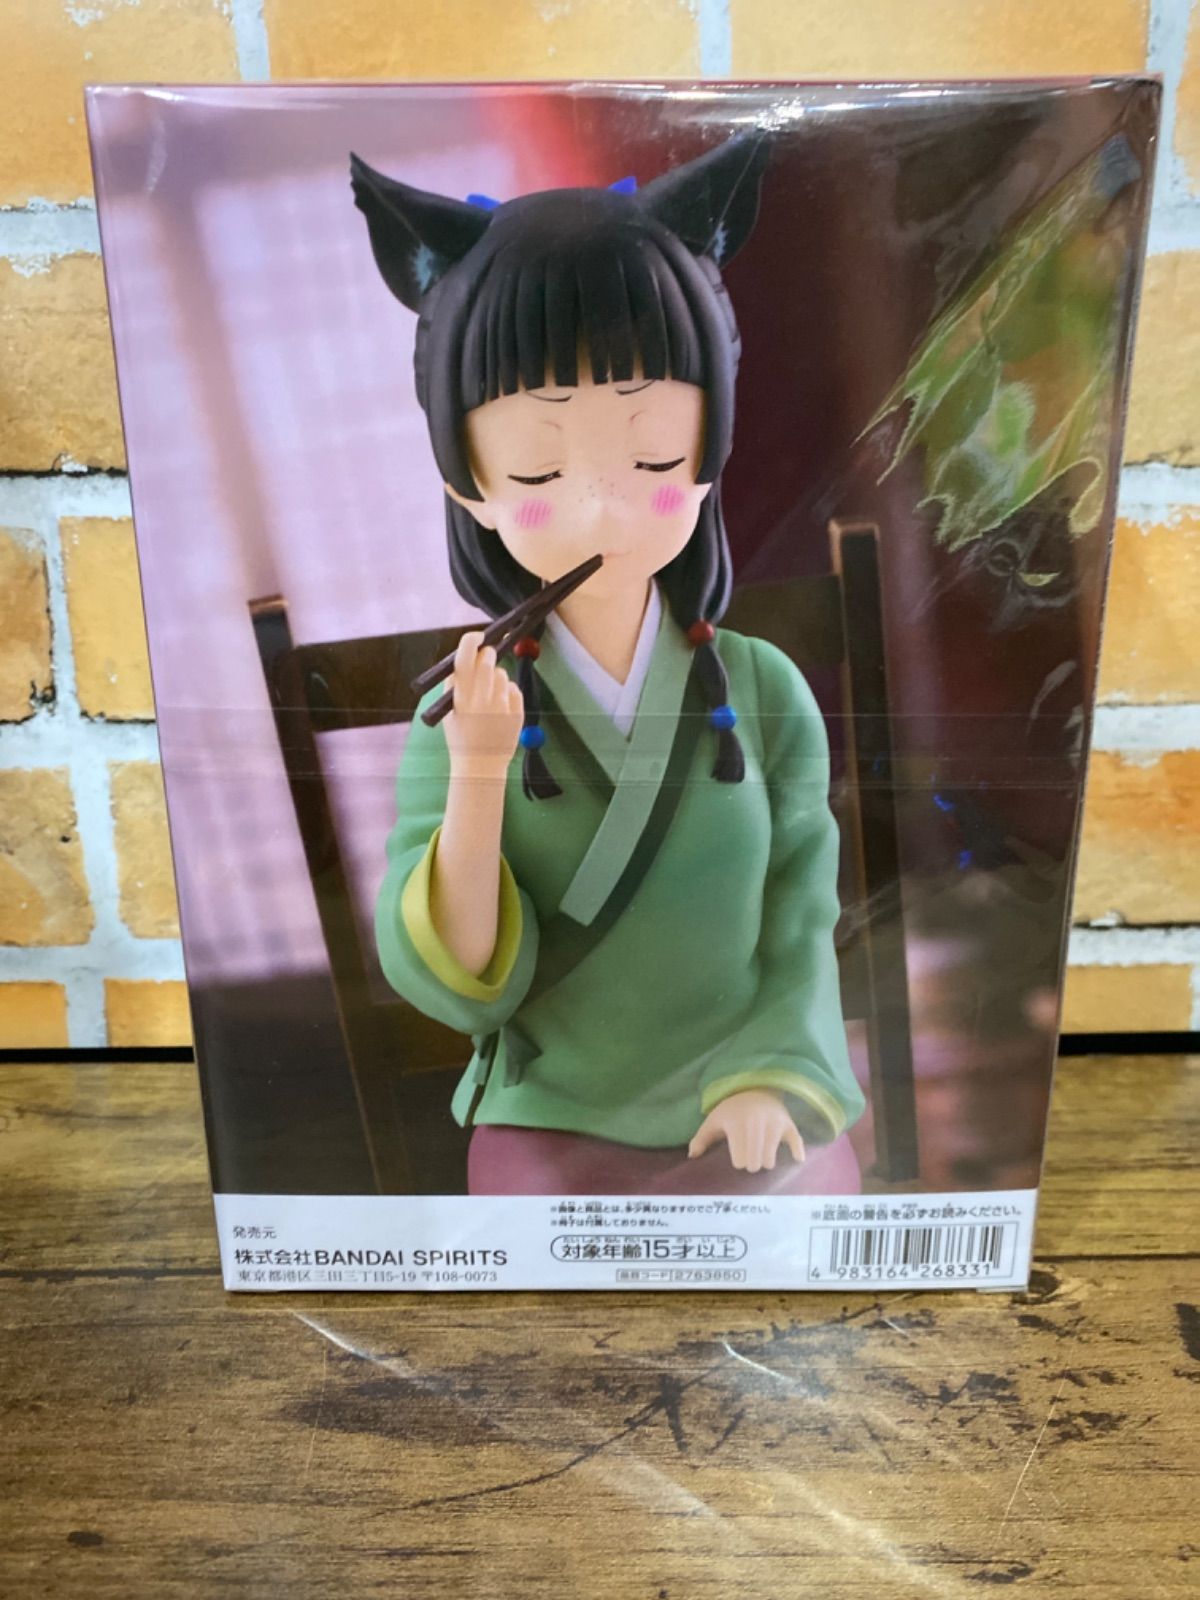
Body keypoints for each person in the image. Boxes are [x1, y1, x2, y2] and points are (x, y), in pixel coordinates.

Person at [351, 133, 866, 1195]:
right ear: (468, 487)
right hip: (554, 1114)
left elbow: (802, 917)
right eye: (540, 470)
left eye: (653, 456)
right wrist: (480, 772)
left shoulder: (762, 692)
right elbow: (465, 985)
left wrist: (773, 1078)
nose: (602, 507)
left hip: (744, 1094)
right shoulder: (466, 712)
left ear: (711, 451)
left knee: (804, 1221)